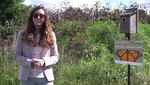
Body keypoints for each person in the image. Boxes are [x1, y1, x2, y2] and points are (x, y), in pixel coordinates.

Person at [14, 5, 59, 85]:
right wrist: (30, 62)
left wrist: (44, 61)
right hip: (27, 78)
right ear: (32, 17)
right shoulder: (22, 34)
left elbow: (55, 57)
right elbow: (17, 55)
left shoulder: (51, 35)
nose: (38, 17)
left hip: (45, 78)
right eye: (36, 15)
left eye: (41, 15)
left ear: (45, 18)